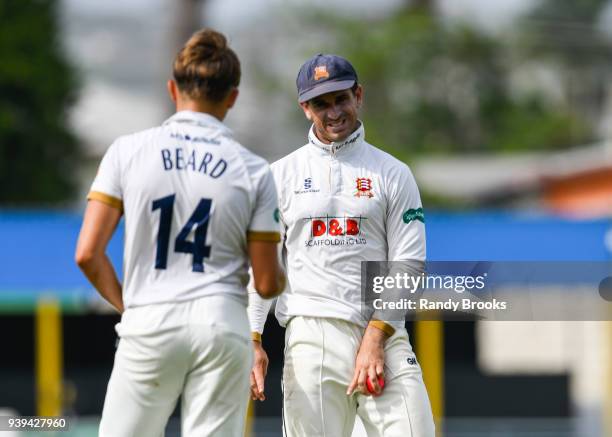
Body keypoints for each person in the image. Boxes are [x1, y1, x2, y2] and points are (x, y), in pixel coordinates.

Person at [75, 29, 284, 437]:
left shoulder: (127, 151)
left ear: (173, 88)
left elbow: (86, 254)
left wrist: (129, 306)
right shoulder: (255, 169)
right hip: (221, 324)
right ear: (232, 97)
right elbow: (265, 281)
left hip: (150, 318)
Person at [247, 54, 435, 436]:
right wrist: (251, 337)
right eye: (320, 103)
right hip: (311, 333)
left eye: (340, 98)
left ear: (358, 95)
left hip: (383, 332)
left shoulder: (393, 173)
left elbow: (409, 263)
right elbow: (261, 268)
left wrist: (375, 338)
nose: (333, 112)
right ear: (305, 108)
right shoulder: (279, 176)